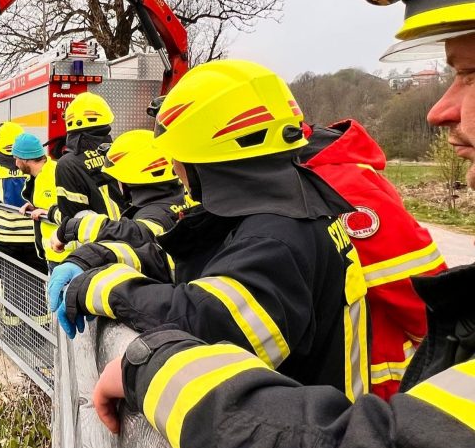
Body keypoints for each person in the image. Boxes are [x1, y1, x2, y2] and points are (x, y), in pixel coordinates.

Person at [89, 0, 475, 448]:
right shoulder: (291, 203)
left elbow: (219, 322)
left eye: (470, 72)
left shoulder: (277, 233)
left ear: (210, 162)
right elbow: (180, 250)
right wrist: (124, 260)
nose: (442, 110)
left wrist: (122, 315)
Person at [53, 60, 369, 397]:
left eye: (178, 155)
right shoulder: (276, 205)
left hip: (312, 439)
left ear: (206, 157)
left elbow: (209, 321)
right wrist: (92, 258)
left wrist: (102, 288)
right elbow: (175, 258)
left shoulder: (278, 236)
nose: (174, 167)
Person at [299, 118, 447, 399]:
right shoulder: (312, 174)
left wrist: (446, 354)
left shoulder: (337, 182)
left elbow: (415, 288)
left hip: (377, 382)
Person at [0, 121, 47, 342]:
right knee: (34, 284)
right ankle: (38, 335)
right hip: (34, 239)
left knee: (10, 285)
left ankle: (13, 334)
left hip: (6, 239)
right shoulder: (36, 167)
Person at [52, 129, 186, 251]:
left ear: (130, 182)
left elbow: (136, 234)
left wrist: (72, 227)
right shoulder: (183, 198)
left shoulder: (154, 214)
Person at [52, 92, 129, 230]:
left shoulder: (68, 164)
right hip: (131, 235)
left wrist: (52, 212)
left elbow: (71, 219)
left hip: (98, 244)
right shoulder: (121, 152)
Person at [14, 132, 68, 272]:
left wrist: (46, 212)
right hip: (53, 253)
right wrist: (35, 207)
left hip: (65, 257)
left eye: (16, 159)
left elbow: (72, 210)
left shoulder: (56, 173)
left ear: (25, 159)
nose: (15, 164)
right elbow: (52, 203)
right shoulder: (39, 176)